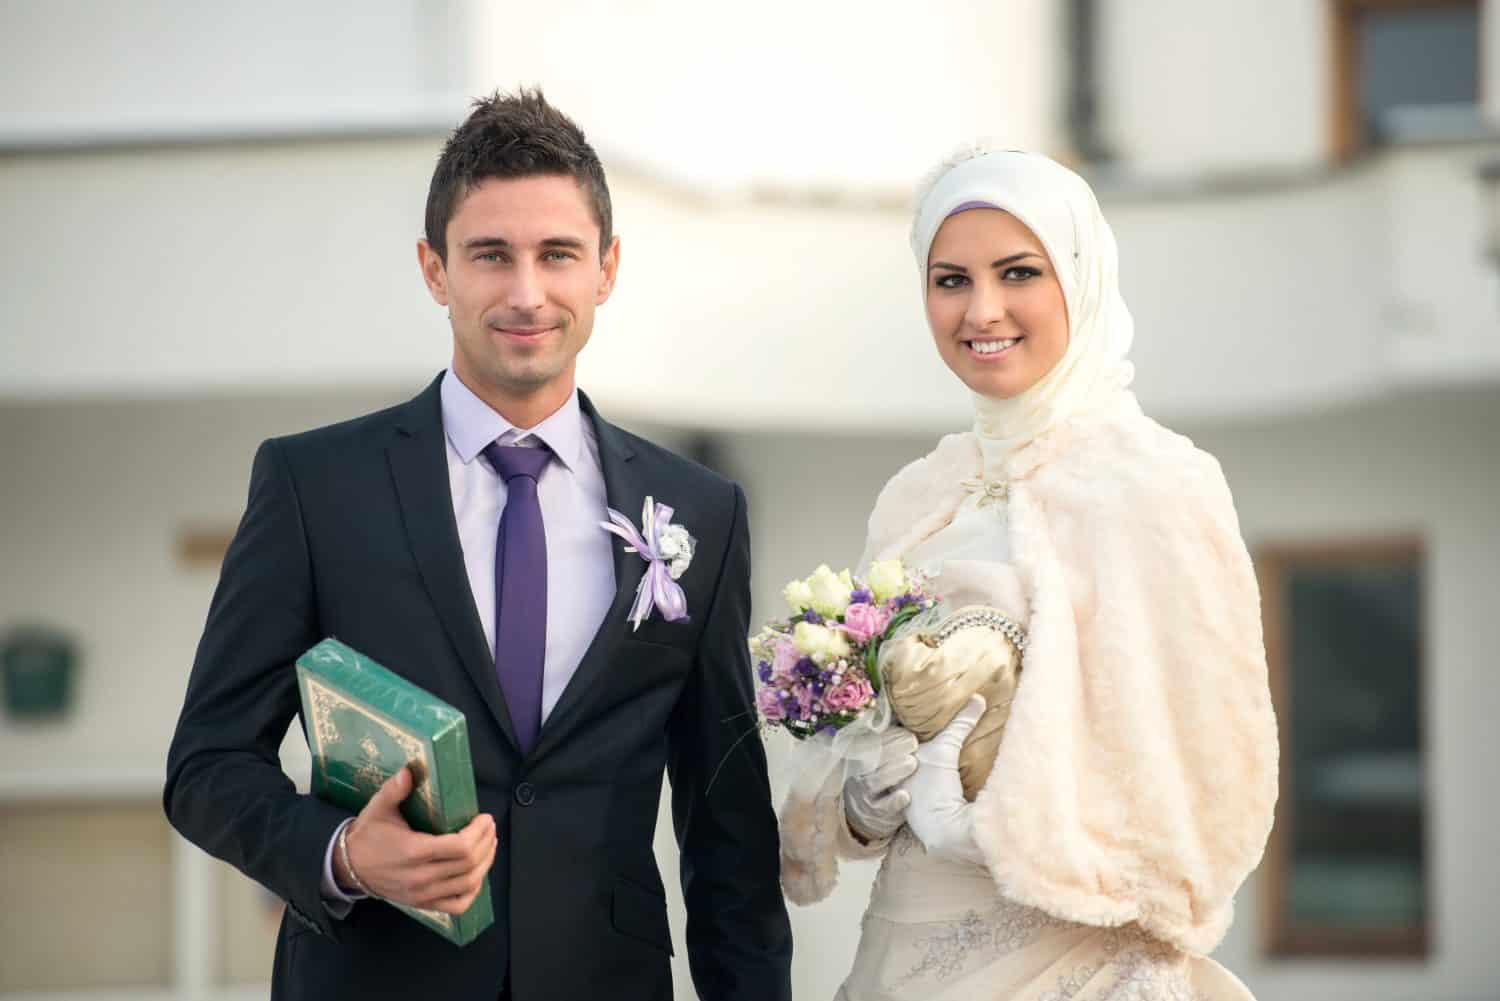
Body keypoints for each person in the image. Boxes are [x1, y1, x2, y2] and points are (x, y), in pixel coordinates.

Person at [164, 90, 793, 1001]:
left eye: (558, 255)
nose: (526, 292)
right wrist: (342, 853)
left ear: (607, 268)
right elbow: (207, 765)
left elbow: (728, 831)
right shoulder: (314, 487)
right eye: (491, 255)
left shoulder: (700, 512)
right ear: (435, 269)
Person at [778, 147, 1278, 999]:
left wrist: (989, 825)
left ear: (1078, 279)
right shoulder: (918, 496)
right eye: (950, 280)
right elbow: (856, 766)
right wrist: (866, 798)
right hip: (900, 951)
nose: (983, 309)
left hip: (1076, 961)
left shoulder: (1158, 483)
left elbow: (1212, 773)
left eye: (1018, 273)